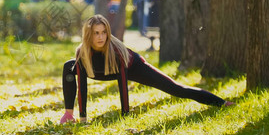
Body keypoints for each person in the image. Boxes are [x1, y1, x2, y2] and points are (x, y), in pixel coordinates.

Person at [60, 15, 234, 123]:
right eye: (96, 33)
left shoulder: (116, 51)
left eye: (104, 32)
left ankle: (222, 103)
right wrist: (83, 119)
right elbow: (82, 84)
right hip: (100, 71)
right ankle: (69, 115)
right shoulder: (82, 52)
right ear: (89, 35)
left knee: (176, 89)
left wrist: (125, 114)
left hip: (134, 68)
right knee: (69, 66)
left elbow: (122, 84)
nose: (101, 37)